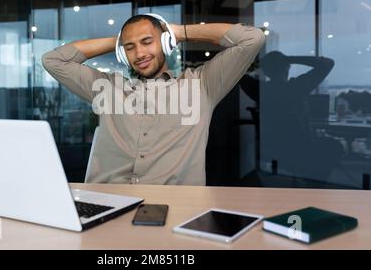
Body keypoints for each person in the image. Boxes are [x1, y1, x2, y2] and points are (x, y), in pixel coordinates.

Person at [42, 14, 265, 185]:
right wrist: (117, 41)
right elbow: (53, 61)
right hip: (107, 200)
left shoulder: (202, 85)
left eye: (147, 41)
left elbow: (252, 39)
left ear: (166, 42)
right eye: (130, 47)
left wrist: (180, 32)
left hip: (175, 206)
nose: (139, 54)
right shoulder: (106, 88)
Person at [240, 51, 344, 181]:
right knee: (335, 146)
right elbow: (328, 63)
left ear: (266, 71)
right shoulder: (297, 86)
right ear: (286, 67)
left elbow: (237, 73)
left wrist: (261, 64)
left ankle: (307, 175)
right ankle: (312, 178)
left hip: (273, 147)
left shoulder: (260, 89)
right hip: (300, 148)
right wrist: (290, 58)